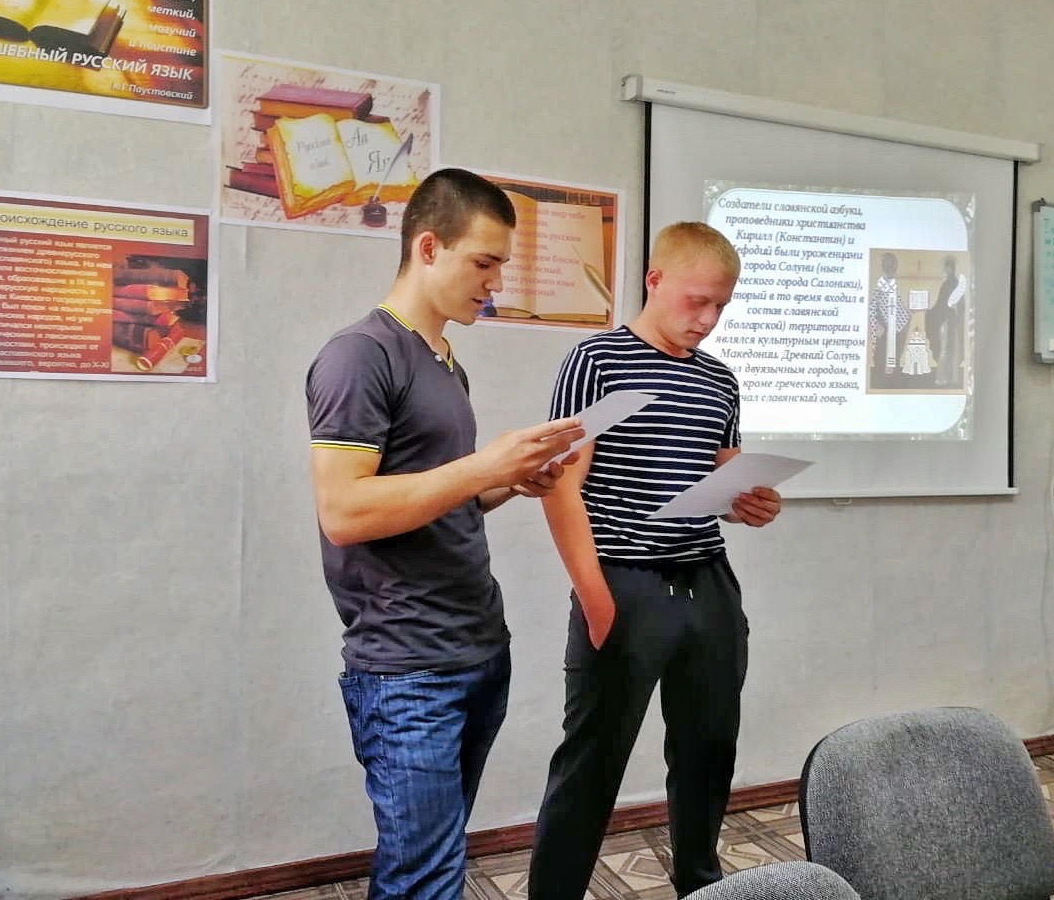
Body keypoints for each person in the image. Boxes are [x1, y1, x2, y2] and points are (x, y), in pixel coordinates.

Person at [306, 167, 585, 900]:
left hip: (475, 648)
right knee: (424, 880)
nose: (495, 283)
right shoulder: (359, 355)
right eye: (484, 262)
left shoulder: (445, 363)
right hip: (408, 666)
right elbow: (344, 511)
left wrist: (508, 480)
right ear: (428, 247)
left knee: (434, 863)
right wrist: (482, 466)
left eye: (502, 265)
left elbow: (440, 497)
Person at [527, 221, 782, 899]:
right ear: (655, 281)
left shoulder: (719, 380)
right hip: (623, 582)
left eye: (722, 305)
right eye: (698, 301)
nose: (709, 319)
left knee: (708, 752)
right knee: (592, 762)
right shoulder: (598, 362)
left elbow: (721, 478)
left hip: (708, 584)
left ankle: (701, 886)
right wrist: (594, 596)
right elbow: (562, 486)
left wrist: (750, 502)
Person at [869, 251, 910, 388]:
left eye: (891, 264)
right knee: (883, 359)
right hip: (886, 328)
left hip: (894, 328)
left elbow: (896, 305)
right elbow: (874, 306)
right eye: (887, 264)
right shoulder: (883, 283)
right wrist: (877, 324)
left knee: (891, 359)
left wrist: (907, 314)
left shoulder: (891, 283)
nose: (890, 267)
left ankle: (889, 384)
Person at [930, 254, 967, 388]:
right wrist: (932, 312)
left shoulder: (955, 284)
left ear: (952, 268)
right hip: (946, 321)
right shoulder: (946, 285)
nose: (947, 270)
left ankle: (949, 378)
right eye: (946, 268)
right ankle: (944, 378)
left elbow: (960, 303)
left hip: (952, 322)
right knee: (945, 349)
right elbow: (941, 304)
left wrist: (953, 310)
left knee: (950, 350)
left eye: (949, 268)